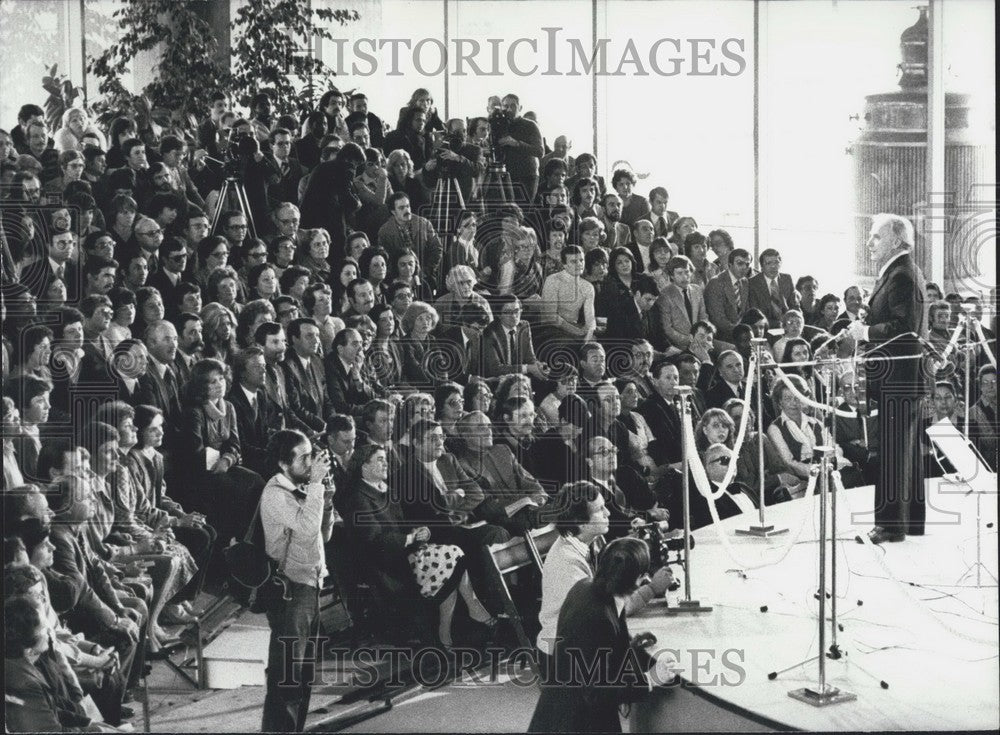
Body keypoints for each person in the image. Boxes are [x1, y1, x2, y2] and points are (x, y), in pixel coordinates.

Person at [529, 536, 674, 733]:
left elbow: (593, 653)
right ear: (640, 579)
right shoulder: (600, 617)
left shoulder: (585, 587)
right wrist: (651, 679)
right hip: (577, 723)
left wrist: (628, 647)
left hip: (558, 710)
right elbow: (595, 691)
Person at [847, 214, 926, 544]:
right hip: (904, 374)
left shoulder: (901, 275)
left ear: (897, 240)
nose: (869, 242)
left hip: (898, 374)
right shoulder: (901, 271)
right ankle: (912, 521)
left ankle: (890, 526)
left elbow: (903, 330)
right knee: (907, 451)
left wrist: (864, 331)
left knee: (894, 451)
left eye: (876, 237)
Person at [260, 429, 336, 732]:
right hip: (290, 591)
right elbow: (305, 530)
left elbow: (323, 534)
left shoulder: (303, 488)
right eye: (303, 457)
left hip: (310, 584)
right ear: (283, 464)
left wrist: (326, 499)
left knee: (303, 674)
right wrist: (317, 484)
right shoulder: (275, 494)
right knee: (287, 674)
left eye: (310, 455)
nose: (310, 462)